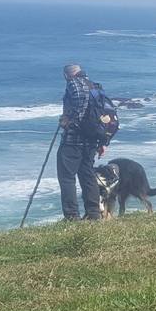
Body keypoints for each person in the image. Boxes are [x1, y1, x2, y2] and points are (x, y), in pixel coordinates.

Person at [56, 63, 102, 220]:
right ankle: (94, 214)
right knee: (87, 175)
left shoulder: (74, 83)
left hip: (73, 140)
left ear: (66, 75)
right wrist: (102, 142)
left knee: (67, 177)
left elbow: (78, 98)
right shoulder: (94, 86)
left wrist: (68, 120)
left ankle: (71, 216)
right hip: (91, 140)